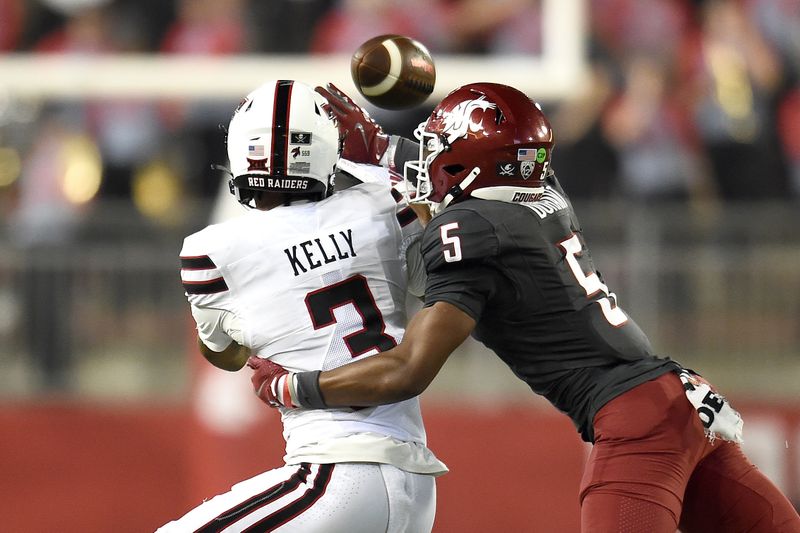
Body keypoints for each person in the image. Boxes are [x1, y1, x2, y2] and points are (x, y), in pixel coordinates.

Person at [251, 82, 800, 532]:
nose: (429, 158)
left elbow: (407, 369)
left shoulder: (470, 228)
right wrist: (383, 148)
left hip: (635, 420)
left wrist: (296, 386)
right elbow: (486, 165)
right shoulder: (543, 190)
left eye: (439, 148)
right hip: (676, 399)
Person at [160, 80, 447, 533]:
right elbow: (436, 277)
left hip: (334, 472)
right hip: (413, 481)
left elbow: (225, 355)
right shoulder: (384, 201)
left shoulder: (213, 251)